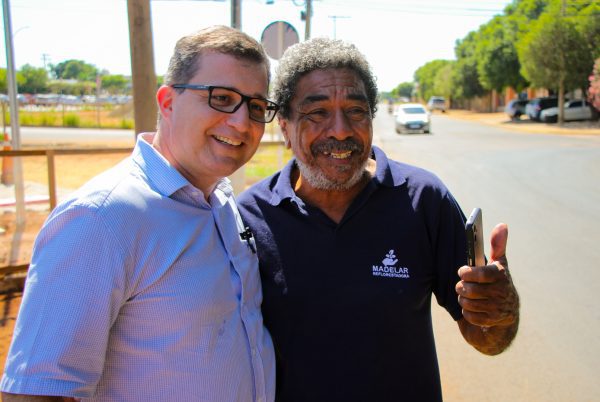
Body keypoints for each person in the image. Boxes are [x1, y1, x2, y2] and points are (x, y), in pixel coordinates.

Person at [1, 25, 278, 401]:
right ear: (167, 102)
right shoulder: (101, 219)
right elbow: (37, 391)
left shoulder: (224, 203)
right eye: (221, 98)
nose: (242, 122)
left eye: (257, 107)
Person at [237, 37, 519, 402]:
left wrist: (501, 310)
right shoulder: (250, 217)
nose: (340, 130)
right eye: (317, 113)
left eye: (356, 111)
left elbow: (486, 337)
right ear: (286, 127)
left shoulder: (423, 199)